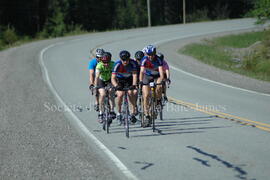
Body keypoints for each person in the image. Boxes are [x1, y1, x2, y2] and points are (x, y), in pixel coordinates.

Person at [139, 45, 164, 127]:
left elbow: (161, 72)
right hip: (147, 76)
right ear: (146, 54)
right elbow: (142, 72)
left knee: (159, 86)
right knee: (145, 95)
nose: (150, 56)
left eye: (152, 54)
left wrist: (160, 80)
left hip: (157, 76)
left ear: (155, 53)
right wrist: (141, 81)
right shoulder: (144, 59)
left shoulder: (158, 59)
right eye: (148, 54)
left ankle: (159, 100)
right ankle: (147, 115)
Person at [111, 50, 138, 124]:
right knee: (120, 95)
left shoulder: (133, 63)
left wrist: (134, 85)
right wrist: (116, 86)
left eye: (127, 60)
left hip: (129, 79)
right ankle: (119, 113)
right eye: (123, 60)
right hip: (120, 80)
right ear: (120, 59)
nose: (125, 62)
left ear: (129, 58)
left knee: (131, 93)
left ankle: (132, 113)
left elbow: (135, 75)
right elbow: (113, 78)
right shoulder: (117, 64)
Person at [94, 52, 116, 123]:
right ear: (101, 61)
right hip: (101, 80)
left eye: (107, 62)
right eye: (104, 62)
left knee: (111, 92)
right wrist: (95, 87)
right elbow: (97, 77)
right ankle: (101, 113)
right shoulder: (99, 66)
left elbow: (116, 76)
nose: (106, 64)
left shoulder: (113, 64)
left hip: (110, 80)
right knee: (102, 94)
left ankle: (112, 110)